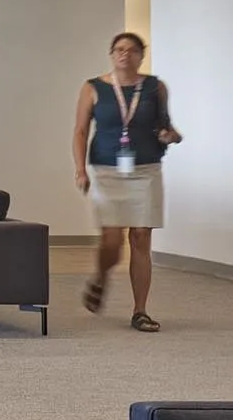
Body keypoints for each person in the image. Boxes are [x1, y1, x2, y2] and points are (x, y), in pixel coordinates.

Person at [73, 31, 180, 332]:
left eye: (132, 50)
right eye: (119, 49)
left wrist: (170, 136)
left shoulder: (155, 87)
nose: (125, 55)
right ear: (111, 54)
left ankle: (140, 310)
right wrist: (80, 169)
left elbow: (166, 125)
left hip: (146, 170)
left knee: (141, 236)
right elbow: (80, 131)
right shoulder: (93, 88)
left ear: (141, 55)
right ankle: (101, 276)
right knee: (111, 240)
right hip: (107, 170)